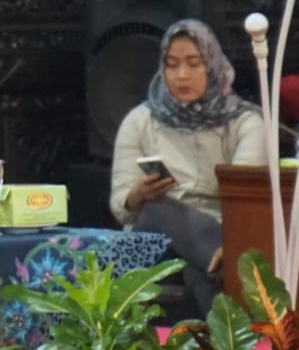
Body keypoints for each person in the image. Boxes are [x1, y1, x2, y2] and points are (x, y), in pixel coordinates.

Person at [111, 19, 266, 316]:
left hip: (223, 234)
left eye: (194, 63)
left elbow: (245, 203)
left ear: (212, 65)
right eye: (172, 65)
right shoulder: (139, 120)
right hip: (153, 238)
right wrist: (137, 196)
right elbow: (120, 205)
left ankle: (218, 318)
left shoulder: (246, 122)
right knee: (156, 210)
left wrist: (231, 243)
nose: (182, 75)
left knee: (199, 270)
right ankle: (233, 321)